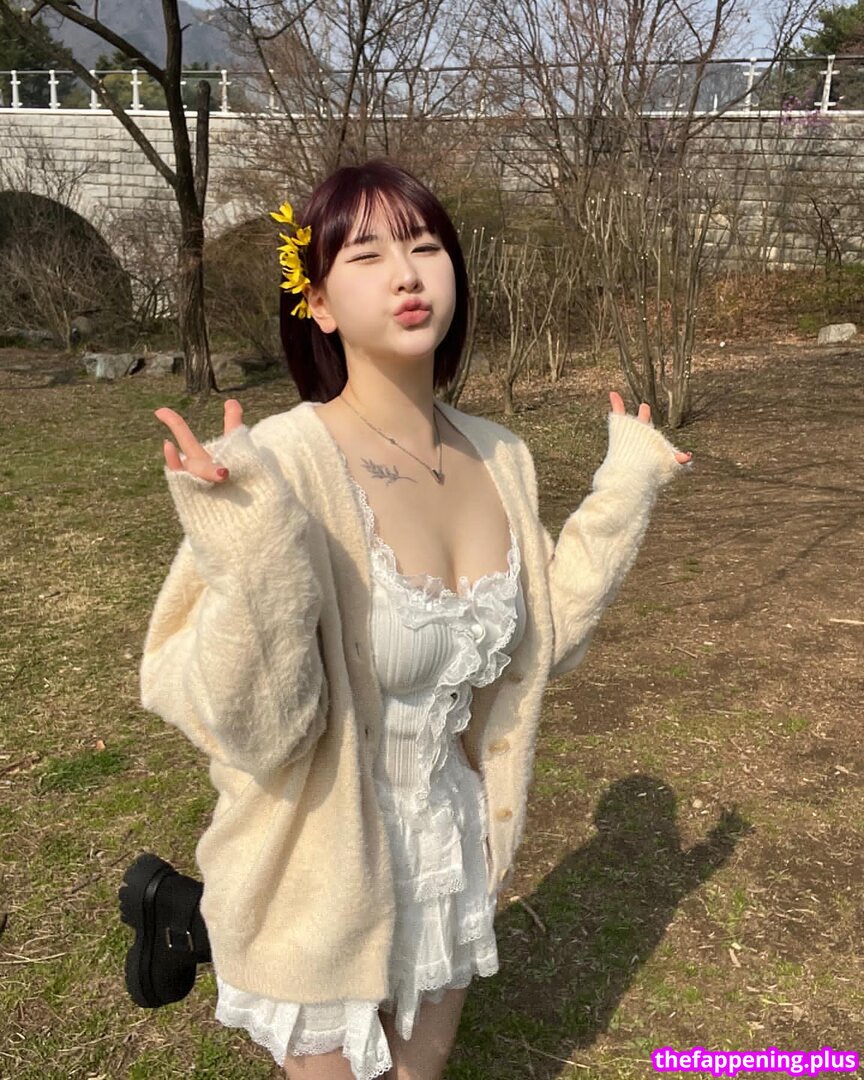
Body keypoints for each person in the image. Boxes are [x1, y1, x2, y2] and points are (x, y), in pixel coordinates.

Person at [119, 158, 693, 1080]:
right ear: (318, 304)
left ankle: (186, 915)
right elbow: (252, 731)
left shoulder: (501, 456)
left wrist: (627, 486)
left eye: (425, 246)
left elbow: (541, 642)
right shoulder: (281, 463)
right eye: (366, 254)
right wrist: (253, 555)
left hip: (453, 843)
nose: (406, 274)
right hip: (317, 862)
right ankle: (197, 917)